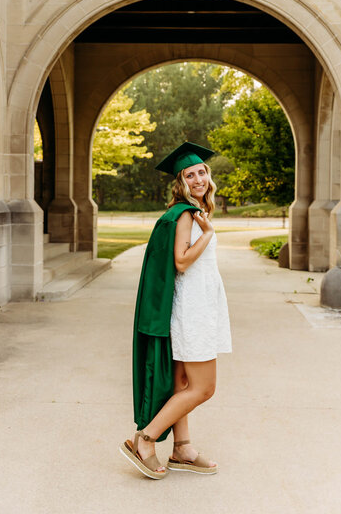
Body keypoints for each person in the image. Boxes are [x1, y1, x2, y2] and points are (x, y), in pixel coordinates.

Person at [120, 142, 232, 479]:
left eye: (202, 172)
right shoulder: (185, 213)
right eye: (190, 174)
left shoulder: (193, 209)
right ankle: (146, 439)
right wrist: (208, 233)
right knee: (203, 388)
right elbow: (181, 261)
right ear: (180, 181)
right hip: (192, 312)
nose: (198, 178)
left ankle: (182, 448)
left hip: (198, 307)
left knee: (182, 382)